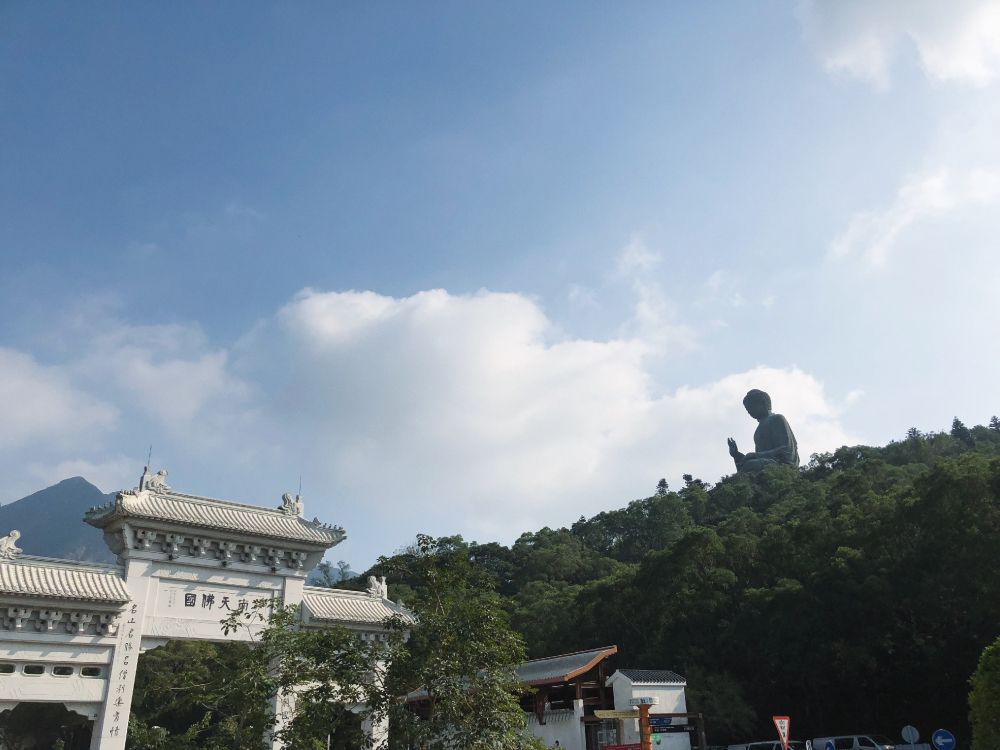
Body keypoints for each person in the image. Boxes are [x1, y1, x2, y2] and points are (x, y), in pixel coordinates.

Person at [727, 389, 798, 473]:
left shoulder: (777, 419)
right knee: (747, 465)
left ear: (763, 403)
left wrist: (755, 455)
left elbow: (786, 450)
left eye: (751, 406)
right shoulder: (758, 431)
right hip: (767, 463)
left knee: (750, 465)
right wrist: (736, 454)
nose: (749, 411)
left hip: (782, 465)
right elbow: (758, 458)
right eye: (747, 409)